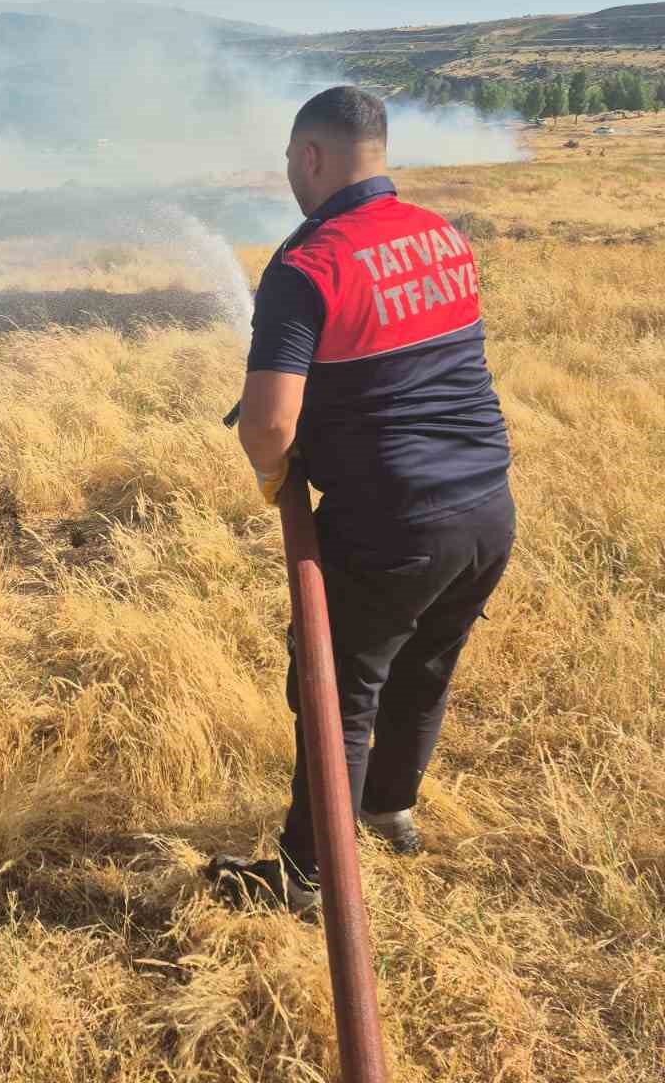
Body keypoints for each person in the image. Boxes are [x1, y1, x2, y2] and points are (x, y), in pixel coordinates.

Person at [208, 85, 514, 916]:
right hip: (488, 506)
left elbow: (269, 422)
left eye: (288, 163)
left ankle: (304, 875)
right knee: (424, 666)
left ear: (312, 157)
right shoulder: (441, 234)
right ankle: (388, 806)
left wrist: (273, 472)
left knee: (336, 690)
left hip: (395, 520)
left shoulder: (308, 262)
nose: (289, 180)